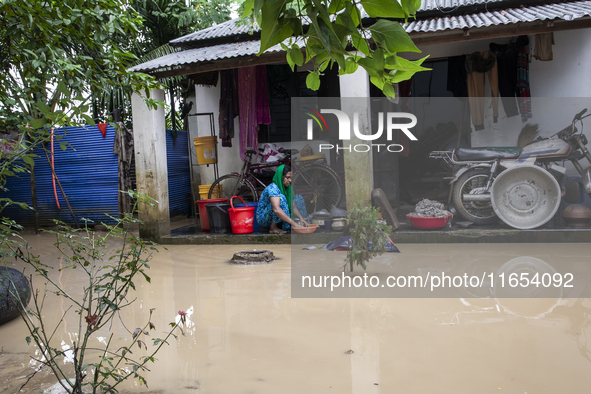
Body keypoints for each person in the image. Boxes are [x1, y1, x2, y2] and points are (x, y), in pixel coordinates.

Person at [256, 165, 308, 234]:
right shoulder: (273, 188)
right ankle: (273, 227)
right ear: (281, 177)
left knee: (299, 198)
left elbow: (293, 206)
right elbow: (276, 210)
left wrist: (301, 218)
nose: (290, 180)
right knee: (281, 198)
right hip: (264, 219)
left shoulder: (288, 188)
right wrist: (294, 224)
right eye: (287, 178)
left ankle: (302, 224)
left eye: (291, 178)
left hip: (278, 217)